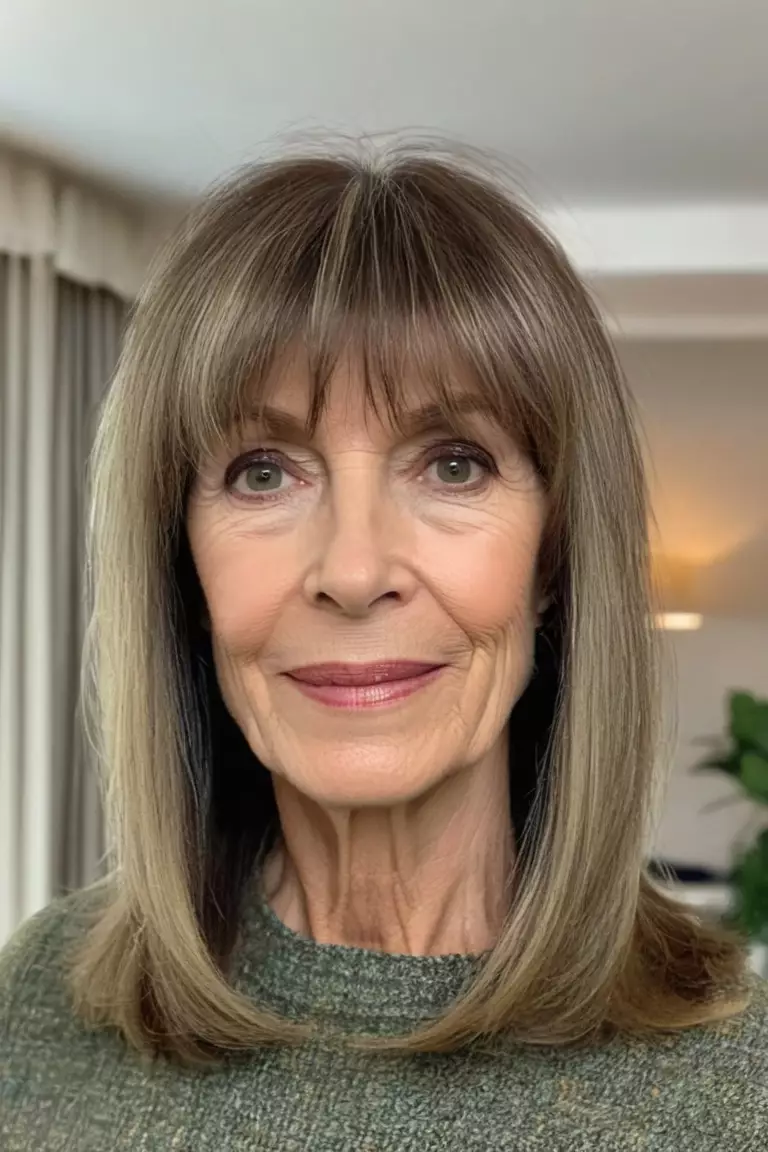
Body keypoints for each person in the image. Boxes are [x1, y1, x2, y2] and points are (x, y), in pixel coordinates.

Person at [1, 141, 766, 1151]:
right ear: (182, 567)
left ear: (552, 562)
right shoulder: (39, 1007)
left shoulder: (735, 1089)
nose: (355, 572)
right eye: (263, 473)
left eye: (453, 464)